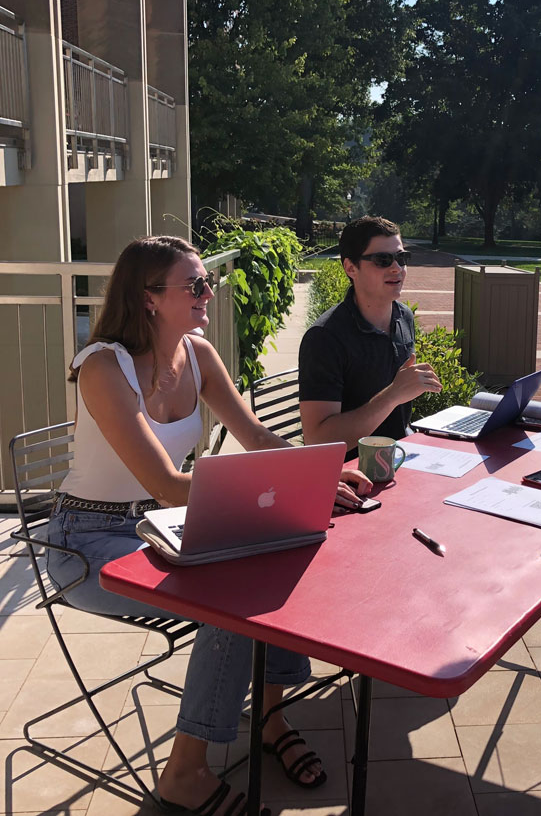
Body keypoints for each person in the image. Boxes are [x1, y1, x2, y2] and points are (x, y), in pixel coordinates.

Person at [47, 235, 372, 816]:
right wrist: (279, 489)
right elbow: (169, 483)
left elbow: (257, 440)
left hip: (162, 527)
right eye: (194, 284)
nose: (209, 290)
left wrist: (317, 476)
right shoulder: (103, 367)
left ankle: (270, 714)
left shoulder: (197, 353)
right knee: (230, 605)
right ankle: (185, 773)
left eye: (207, 281)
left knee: (280, 555)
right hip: (89, 543)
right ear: (149, 298)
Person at [298, 216, 441, 452]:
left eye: (401, 258)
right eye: (382, 260)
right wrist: (393, 394)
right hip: (354, 475)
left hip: (403, 459)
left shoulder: (403, 316)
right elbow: (318, 439)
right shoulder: (324, 338)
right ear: (350, 268)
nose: (396, 268)